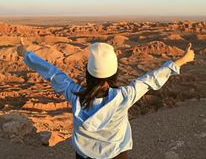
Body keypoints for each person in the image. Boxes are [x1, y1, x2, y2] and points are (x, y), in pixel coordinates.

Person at [17, 39, 195, 159]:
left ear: (88, 74)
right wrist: (182, 60)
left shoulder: (74, 95)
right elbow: (151, 79)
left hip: (84, 156)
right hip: (117, 156)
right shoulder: (124, 96)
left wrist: (26, 54)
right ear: (114, 74)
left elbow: (52, 73)